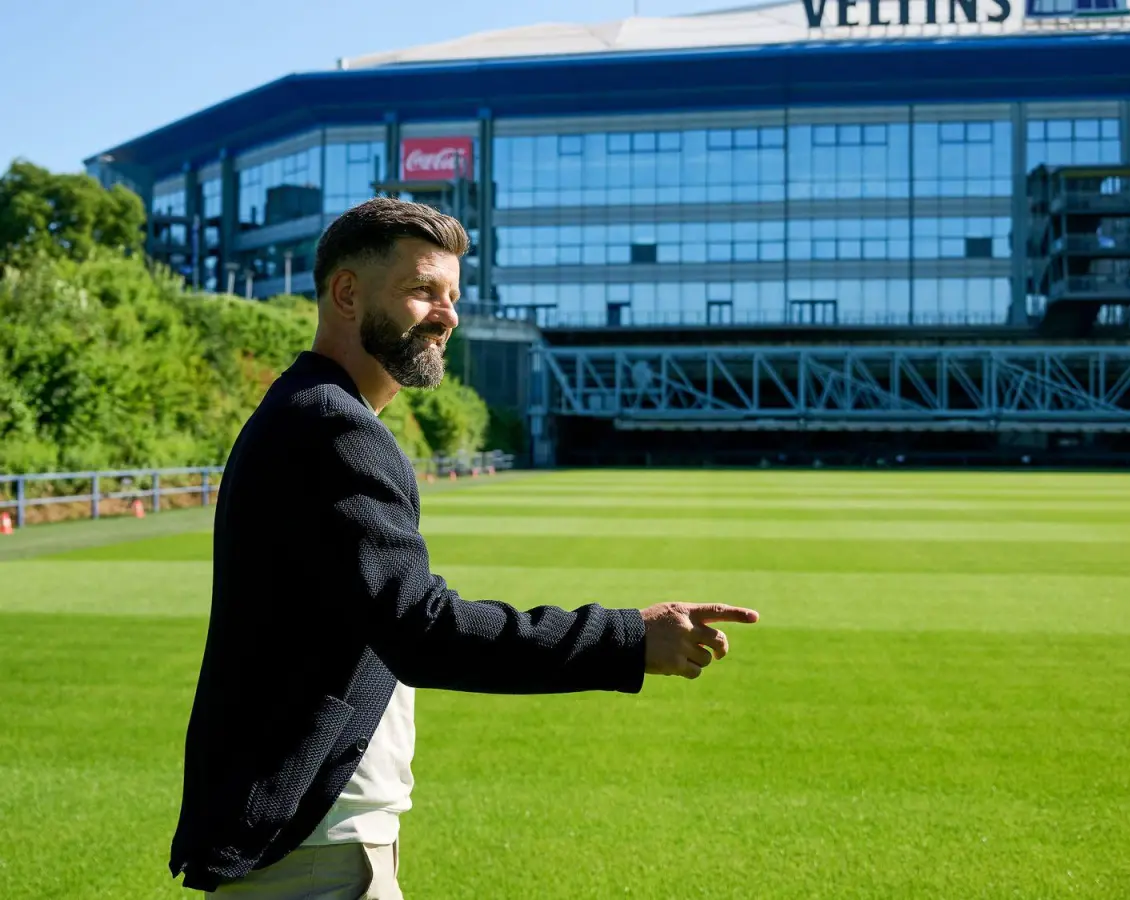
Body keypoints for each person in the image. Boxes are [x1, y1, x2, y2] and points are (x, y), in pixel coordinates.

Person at [167, 198, 759, 897]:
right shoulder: (331, 426)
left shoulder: (311, 412)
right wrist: (628, 639)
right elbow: (421, 628)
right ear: (347, 293)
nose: (447, 314)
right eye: (422, 291)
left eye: (452, 295)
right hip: (318, 850)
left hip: (323, 840)